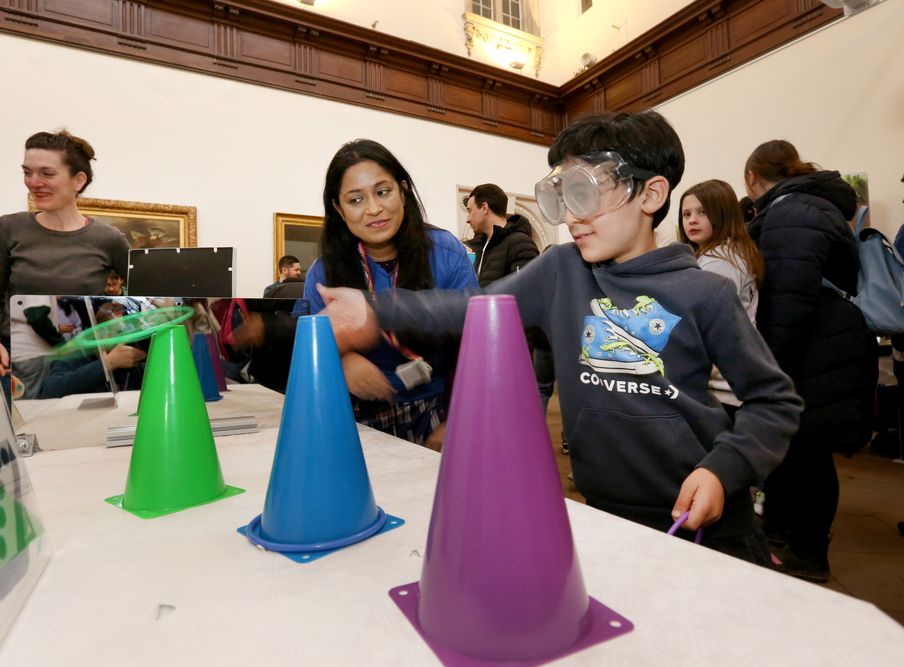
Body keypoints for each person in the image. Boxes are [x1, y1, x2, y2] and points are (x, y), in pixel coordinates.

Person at [319, 111, 803, 566]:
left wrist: (725, 469)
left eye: (585, 195)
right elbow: (469, 309)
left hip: (706, 524)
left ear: (651, 195)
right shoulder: (561, 270)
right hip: (601, 512)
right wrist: (375, 308)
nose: (570, 217)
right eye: (563, 198)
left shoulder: (707, 292)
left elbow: (774, 401)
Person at [745, 139, 878, 582]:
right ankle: (783, 532)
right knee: (796, 449)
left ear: (751, 179)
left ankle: (808, 553)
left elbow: (787, 295)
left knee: (809, 455)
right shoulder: (812, 206)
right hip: (824, 341)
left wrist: (767, 364)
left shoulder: (790, 211)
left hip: (813, 346)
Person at [303, 139, 478, 445]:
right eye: (355, 200)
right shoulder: (323, 272)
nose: (374, 209)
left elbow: (475, 341)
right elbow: (308, 349)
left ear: (403, 191)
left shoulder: (445, 250)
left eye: (383, 192)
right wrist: (340, 360)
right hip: (353, 418)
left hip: (437, 411)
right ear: (338, 208)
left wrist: (457, 418)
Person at [0, 130, 131, 404]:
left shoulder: (108, 239)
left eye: (46, 174)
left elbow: (141, 303)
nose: (33, 182)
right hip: (16, 365)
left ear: (78, 181)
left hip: (81, 364)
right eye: (27, 172)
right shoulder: (8, 228)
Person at [678, 179, 765, 418]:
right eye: (686, 214)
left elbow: (703, 322)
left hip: (720, 385)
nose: (692, 220)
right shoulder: (730, 251)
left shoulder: (718, 261)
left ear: (723, 214)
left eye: (702, 212)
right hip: (730, 378)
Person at [464, 184, 539, 287]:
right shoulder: (483, 246)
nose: (467, 219)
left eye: (470, 211)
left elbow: (526, 292)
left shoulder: (521, 244)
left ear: (484, 208)